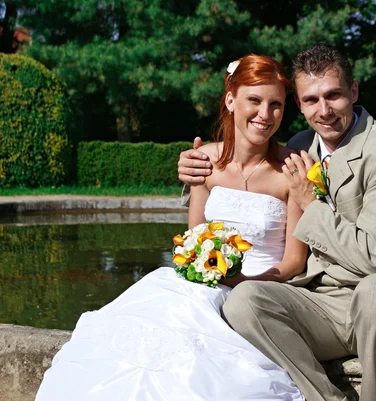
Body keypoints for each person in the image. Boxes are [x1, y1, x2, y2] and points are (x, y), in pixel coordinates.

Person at [35, 54, 307, 401]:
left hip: (258, 291)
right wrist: (203, 269)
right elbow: (193, 239)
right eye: (254, 101)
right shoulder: (203, 161)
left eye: (276, 105)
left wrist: (248, 283)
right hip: (200, 284)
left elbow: (294, 262)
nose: (265, 115)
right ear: (230, 100)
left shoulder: (293, 169)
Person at [178, 43, 376, 401]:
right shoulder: (299, 147)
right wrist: (192, 169)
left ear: (354, 92)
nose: (324, 110)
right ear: (299, 105)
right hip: (317, 304)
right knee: (245, 300)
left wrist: (307, 203)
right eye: (311, 100)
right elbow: (235, 166)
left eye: (334, 96)